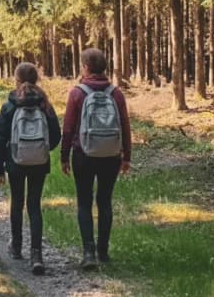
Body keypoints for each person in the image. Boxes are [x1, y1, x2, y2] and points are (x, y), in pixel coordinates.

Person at [61, 48, 132, 269]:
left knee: (84, 202)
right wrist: (126, 156)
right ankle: (103, 251)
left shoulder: (77, 93)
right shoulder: (116, 93)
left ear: (85, 67)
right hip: (111, 154)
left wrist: (64, 156)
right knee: (105, 201)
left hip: (83, 153)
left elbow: (69, 128)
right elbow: (125, 125)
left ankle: (88, 252)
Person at [0, 62, 61, 275]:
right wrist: (42, 150)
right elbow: (56, 135)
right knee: (34, 205)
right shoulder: (45, 105)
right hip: (39, 163)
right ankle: (37, 254)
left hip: (15, 161)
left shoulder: (10, 105)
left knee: (17, 202)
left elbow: (0, 137)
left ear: (16, 79)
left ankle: (16, 247)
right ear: (36, 78)